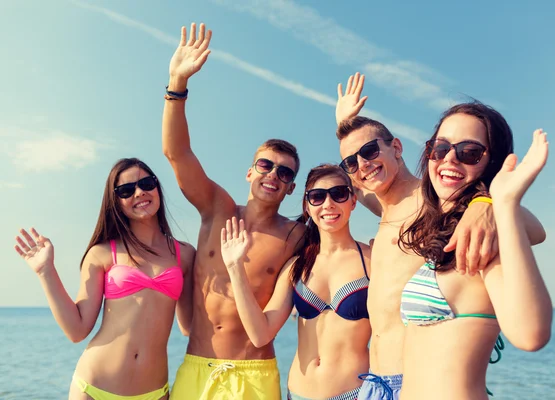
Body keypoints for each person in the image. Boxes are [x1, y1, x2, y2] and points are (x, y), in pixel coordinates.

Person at [334, 74, 546, 400]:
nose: (363, 164)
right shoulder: (383, 203)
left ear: (397, 148)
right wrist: (345, 123)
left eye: (370, 150)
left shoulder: (433, 199)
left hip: (417, 376)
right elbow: (359, 175)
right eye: (352, 161)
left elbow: (535, 231)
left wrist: (486, 202)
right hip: (375, 380)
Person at [163, 22, 305, 400]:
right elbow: (178, 154)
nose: (273, 175)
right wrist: (177, 85)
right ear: (250, 171)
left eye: (285, 172)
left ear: (291, 187)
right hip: (196, 368)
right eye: (265, 165)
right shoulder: (217, 208)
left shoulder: (296, 235)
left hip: (254, 374)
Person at [398, 111, 552, 399]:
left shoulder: (481, 237)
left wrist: (502, 202)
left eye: (469, 152)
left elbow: (530, 334)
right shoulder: (449, 228)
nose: (449, 159)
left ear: (491, 163)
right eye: (440, 148)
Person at [13, 158, 195, 400]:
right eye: (126, 190)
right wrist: (46, 271)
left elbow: (189, 327)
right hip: (95, 388)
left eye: (146, 183)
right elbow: (77, 330)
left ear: (157, 187)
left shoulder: (185, 255)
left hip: (154, 393)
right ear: (116, 203)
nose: (139, 192)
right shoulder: (101, 253)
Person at [221, 164, 372, 400]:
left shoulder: (373, 259)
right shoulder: (297, 267)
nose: (328, 204)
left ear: (352, 200)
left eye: (339, 194)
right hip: (298, 393)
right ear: (307, 206)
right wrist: (234, 267)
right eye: (317, 196)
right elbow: (261, 334)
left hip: (355, 393)